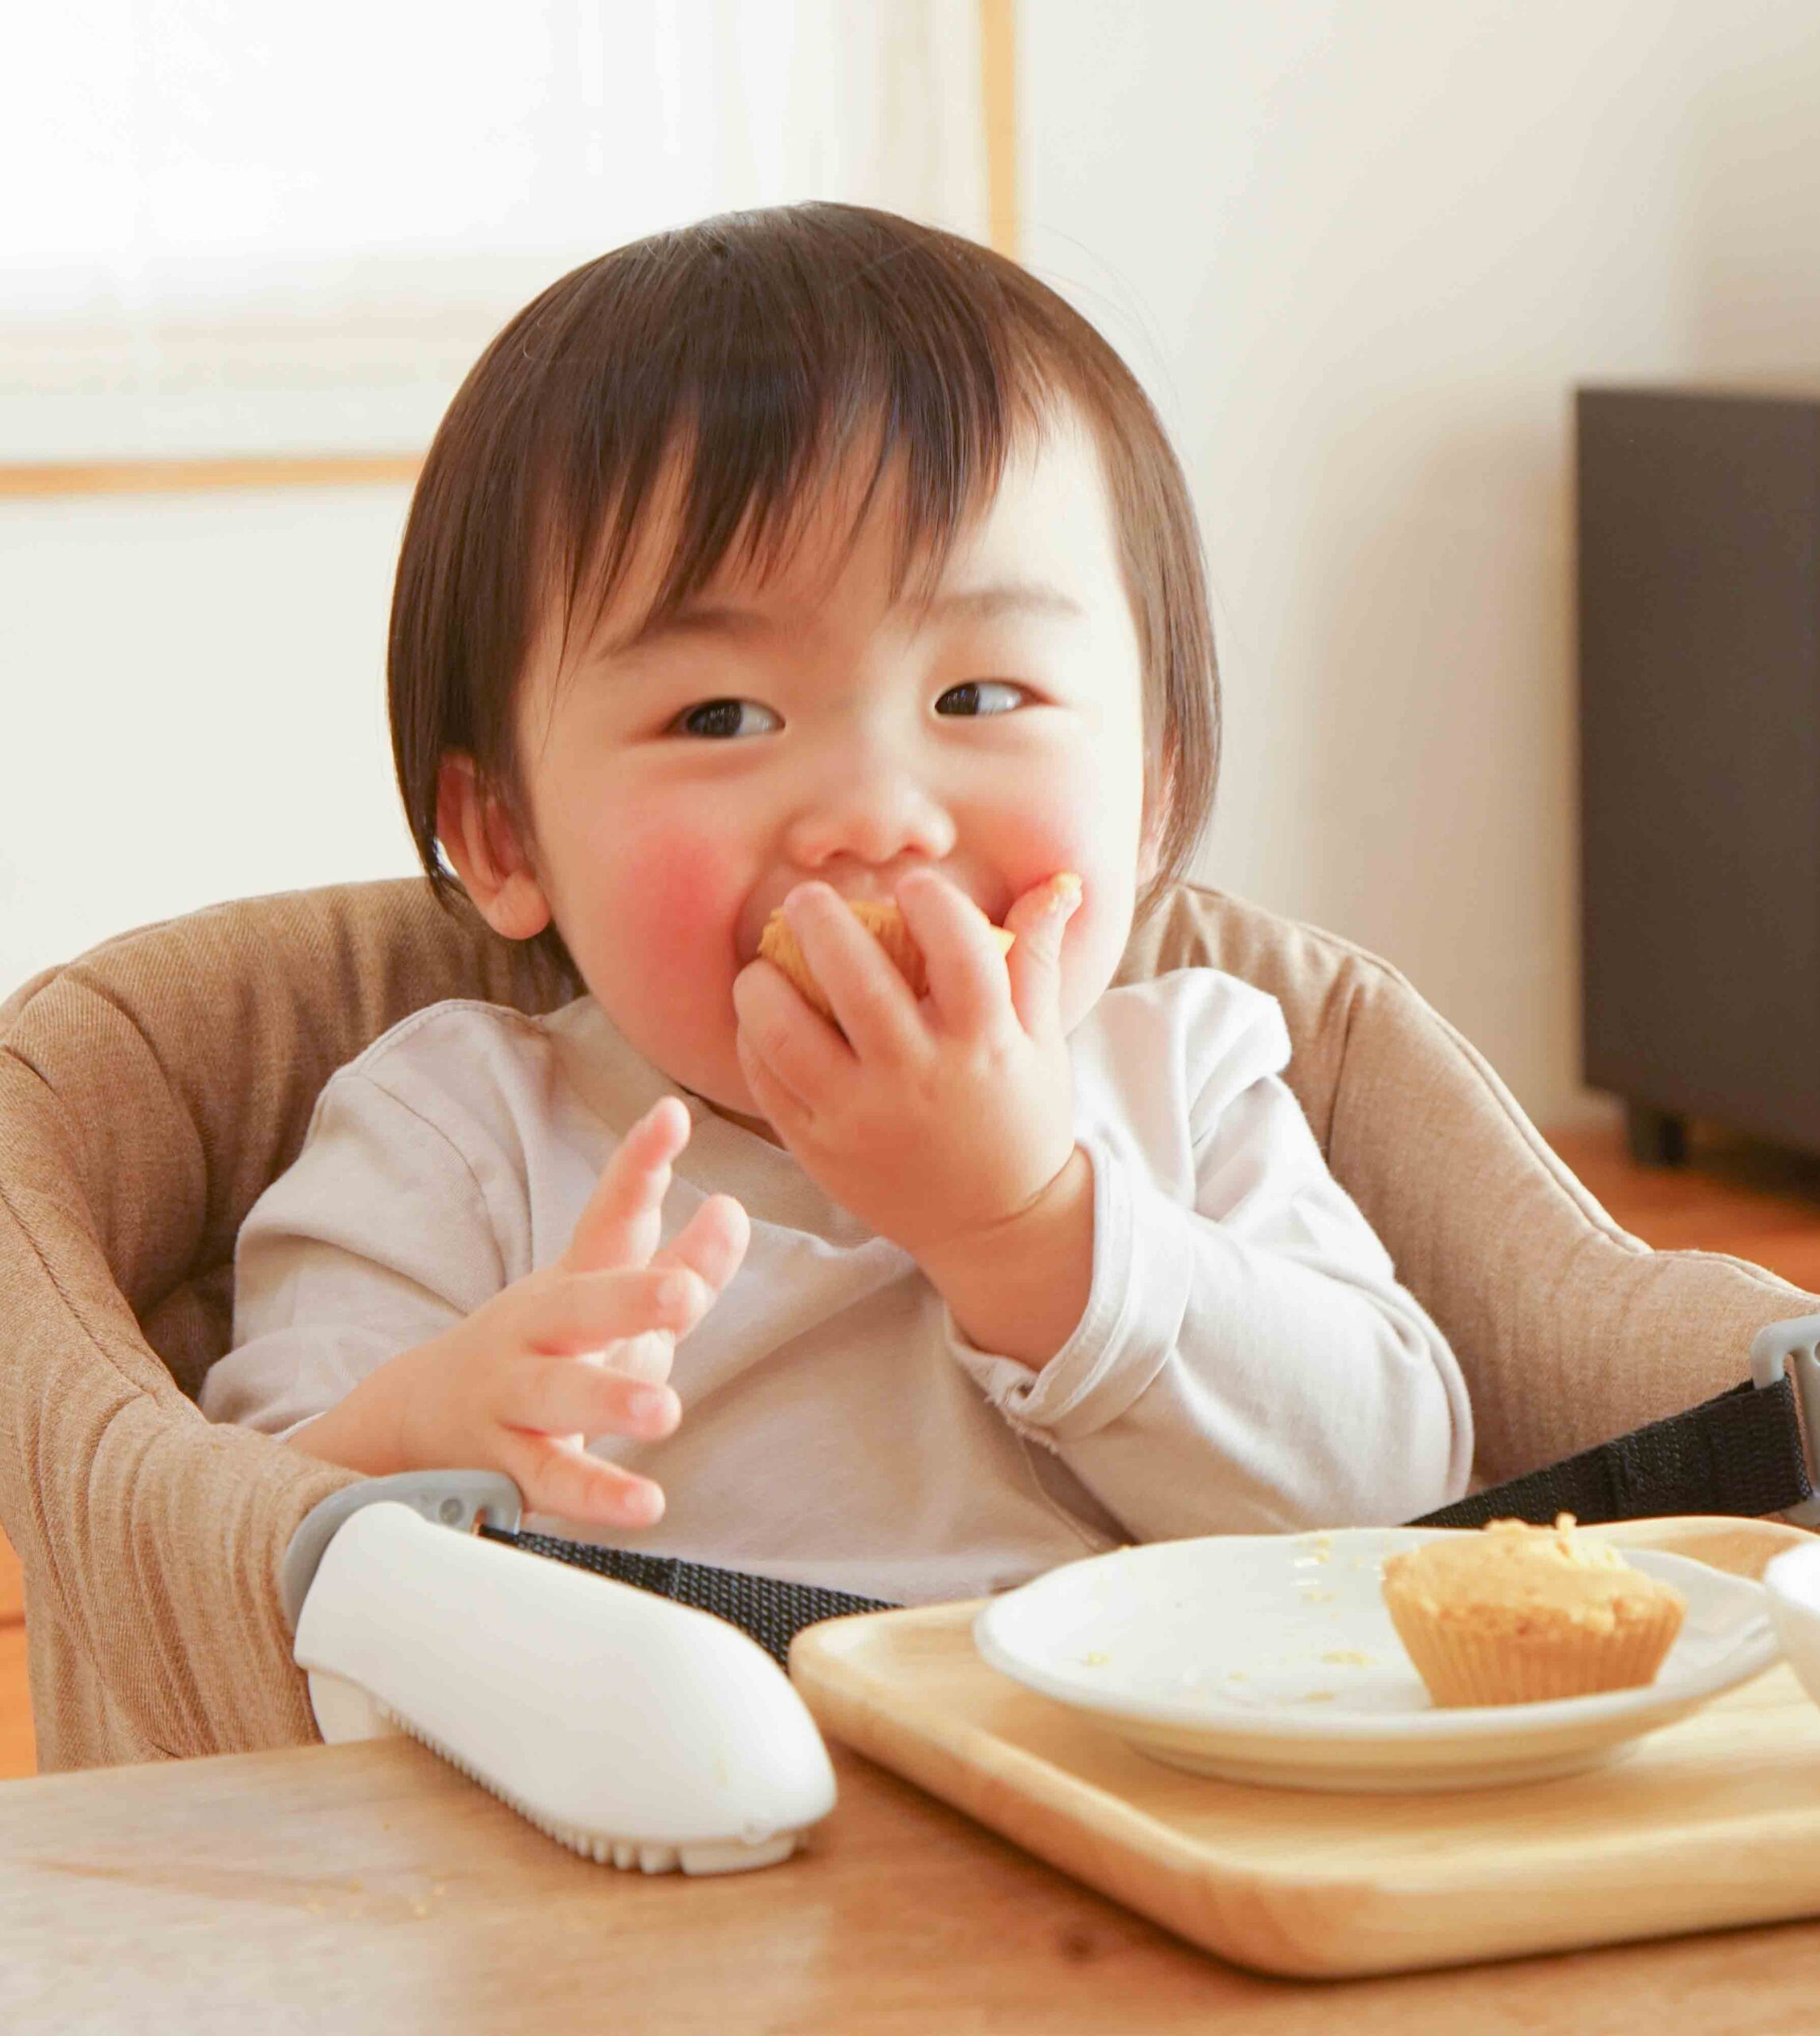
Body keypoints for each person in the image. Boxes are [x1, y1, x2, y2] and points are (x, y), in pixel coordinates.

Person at [199, 203, 1473, 1607]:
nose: (875, 811)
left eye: (980, 697)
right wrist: (424, 1432)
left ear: (1155, 792)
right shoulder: (456, 1138)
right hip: (653, 1805)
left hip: (1140, 1798)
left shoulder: (1188, 1080)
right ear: (502, 835)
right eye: (724, 713)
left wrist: (1031, 1226)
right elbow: (230, 1551)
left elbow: (1398, 1495)